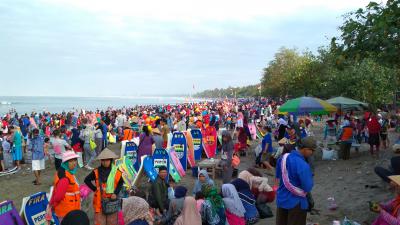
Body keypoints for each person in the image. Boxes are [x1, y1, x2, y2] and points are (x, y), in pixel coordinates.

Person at [275, 136, 315, 225]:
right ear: (304, 149)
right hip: (296, 203)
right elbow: (307, 187)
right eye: (311, 150)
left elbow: (277, 178)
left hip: (281, 200)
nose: (312, 153)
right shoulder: (303, 165)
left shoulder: (282, 158)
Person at [84, 148, 123, 225]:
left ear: (111, 160)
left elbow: (120, 182)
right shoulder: (96, 171)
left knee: (111, 222)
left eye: (107, 160)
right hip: (99, 202)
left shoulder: (116, 171)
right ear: (101, 161)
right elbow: (86, 180)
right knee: (100, 222)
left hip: (112, 202)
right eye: (103, 160)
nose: (105, 162)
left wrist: (115, 193)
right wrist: (95, 189)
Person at [49, 151, 81, 221]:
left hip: (70, 209)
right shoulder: (65, 178)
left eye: (75, 160)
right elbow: (58, 196)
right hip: (66, 211)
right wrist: (52, 206)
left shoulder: (66, 171)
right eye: (70, 161)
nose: (74, 163)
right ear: (66, 163)